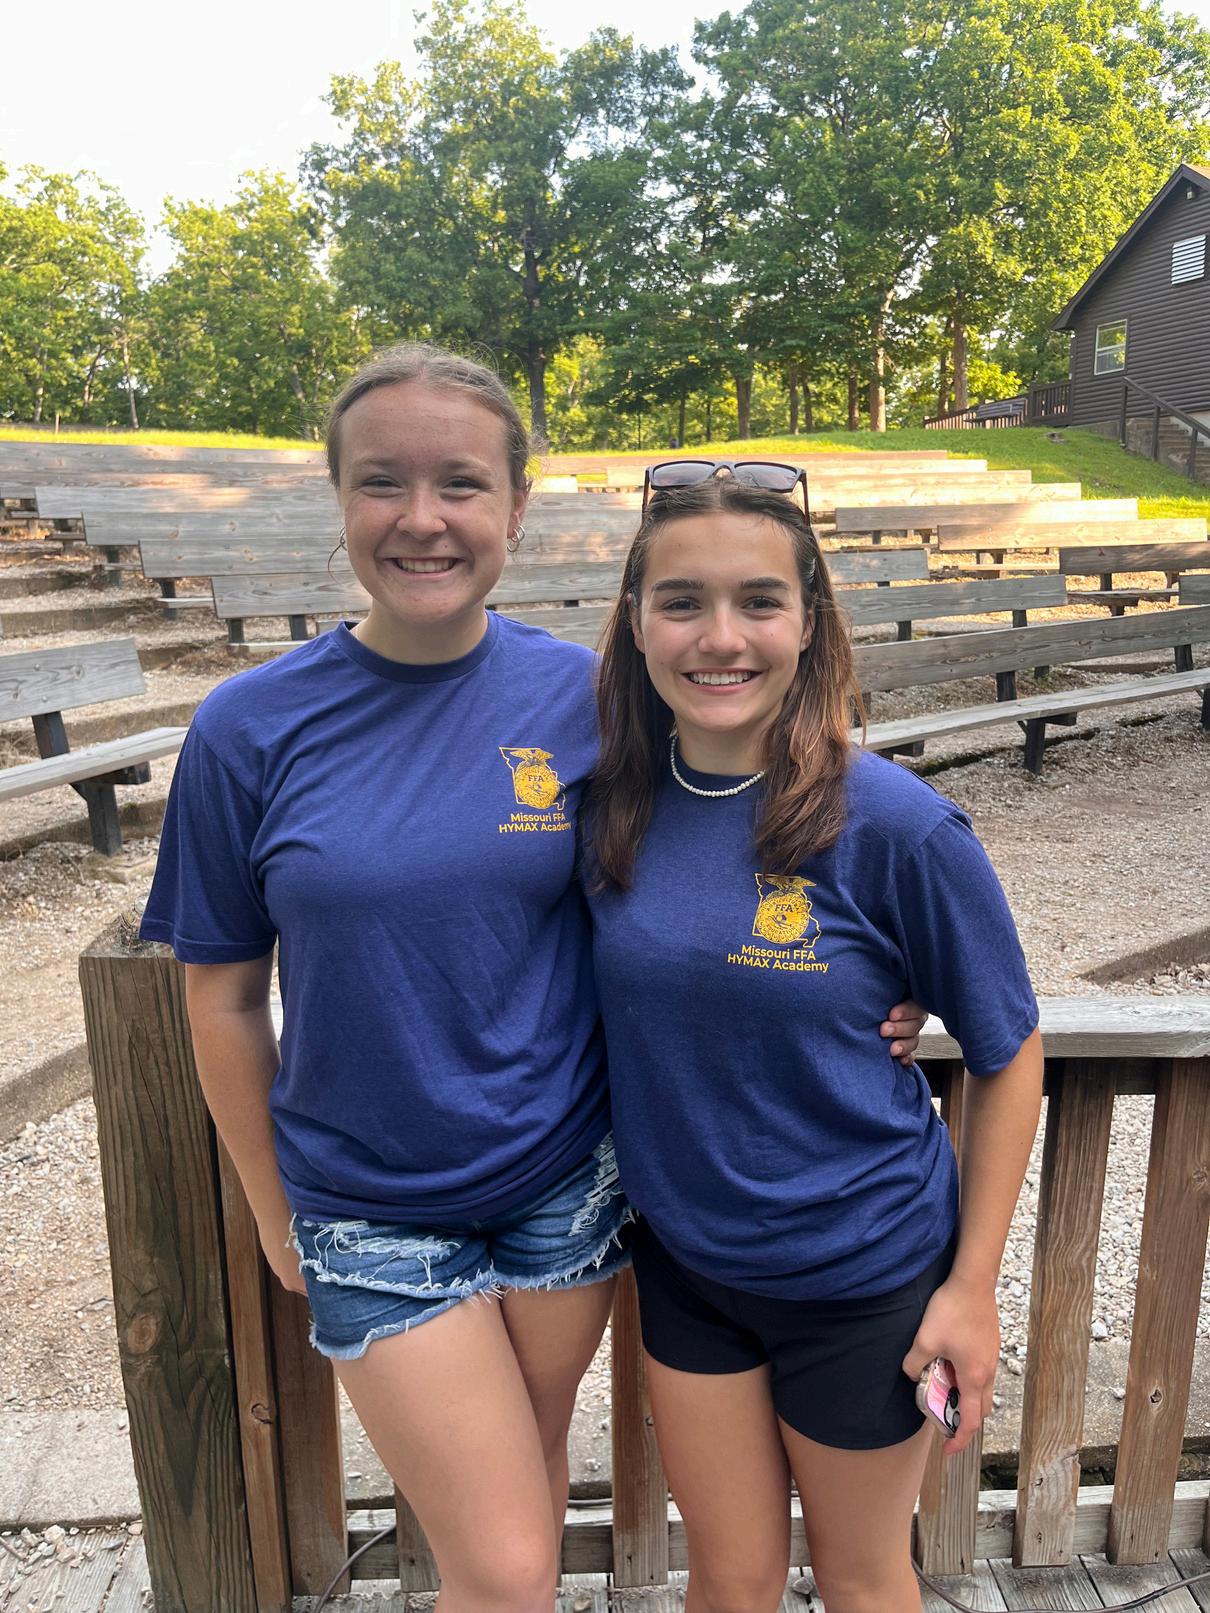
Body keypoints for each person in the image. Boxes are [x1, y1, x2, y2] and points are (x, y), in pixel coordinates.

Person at [139, 346, 928, 1613]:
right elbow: (222, 993)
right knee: (508, 1564)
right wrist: (276, 1210)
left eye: (460, 482)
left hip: (565, 1187)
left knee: (521, 1508)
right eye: (382, 481)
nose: (423, 517)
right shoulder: (248, 727)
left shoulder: (594, 698)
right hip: (372, 1207)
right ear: (339, 499)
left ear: (515, 506)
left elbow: (762, 800)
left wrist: (882, 974)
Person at [586, 467, 1043, 1613]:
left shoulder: (897, 826)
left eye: (759, 600)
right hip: (689, 1266)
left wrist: (972, 1288)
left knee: (859, 1575)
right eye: (681, 601)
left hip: (862, 1278)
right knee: (728, 1578)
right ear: (635, 620)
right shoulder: (608, 811)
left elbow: (1007, 1050)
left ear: (808, 622)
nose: (719, 636)